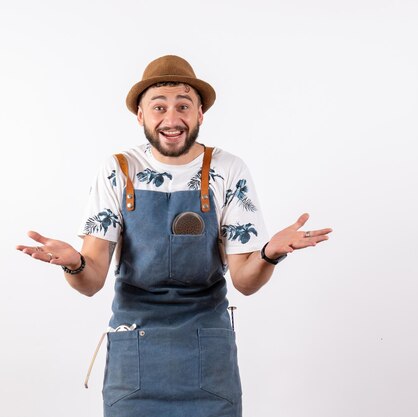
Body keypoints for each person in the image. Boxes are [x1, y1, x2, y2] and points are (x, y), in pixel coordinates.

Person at [17, 55, 332, 417]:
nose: (171, 118)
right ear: (140, 115)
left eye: (183, 106)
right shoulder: (118, 170)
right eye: (159, 106)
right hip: (134, 351)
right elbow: (91, 283)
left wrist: (270, 254)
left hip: (207, 355)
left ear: (200, 114)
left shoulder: (228, 170)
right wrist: (74, 264)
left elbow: (245, 281)